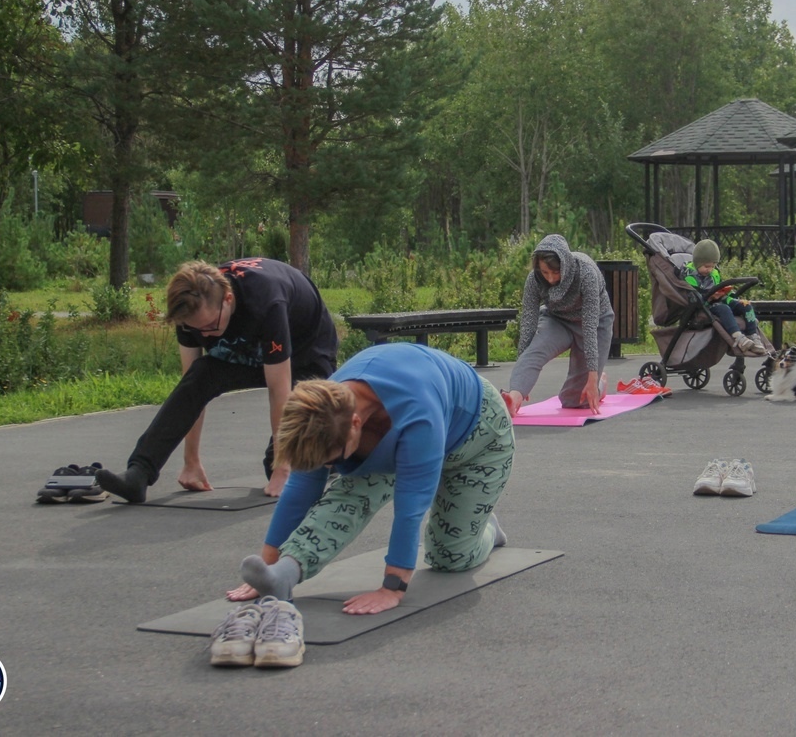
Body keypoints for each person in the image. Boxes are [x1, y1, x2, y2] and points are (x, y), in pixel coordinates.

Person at [230, 342, 513, 614]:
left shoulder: (416, 412)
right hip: (406, 433)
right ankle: (285, 574)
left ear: (355, 423)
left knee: (450, 558)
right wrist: (268, 568)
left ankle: (486, 529)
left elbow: (411, 506)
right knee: (350, 496)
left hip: (479, 439)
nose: (330, 468)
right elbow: (301, 489)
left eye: (333, 462)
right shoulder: (324, 410)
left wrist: (392, 588)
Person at [96, 258, 339, 503]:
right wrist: (191, 461)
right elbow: (191, 389)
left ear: (228, 300)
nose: (206, 335)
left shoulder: (266, 302)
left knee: (281, 466)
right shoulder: (189, 309)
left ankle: (338, 453)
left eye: (211, 326)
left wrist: (282, 466)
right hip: (249, 353)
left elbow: (279, 388)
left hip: (306, 357)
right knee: (201, 374)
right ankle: (139, 472)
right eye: (197, 330)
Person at [502, 234, 614, 415]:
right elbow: (528, 324)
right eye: (545, 272)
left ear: (566, 264)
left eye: (555, 272)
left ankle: (601, 382)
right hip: (558, 320)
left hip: (595, 322)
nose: (551, 279)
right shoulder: (534, 280)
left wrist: (592, 377)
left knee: (575, 401)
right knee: (535, 350)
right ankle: (513, 399)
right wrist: (522, 382)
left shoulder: (586, 273)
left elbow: (590, 326)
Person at [683, 239, 771, 356]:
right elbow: (694, 298)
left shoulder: (714, 273)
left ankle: (753, 335)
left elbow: (720, 289)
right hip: (706, 306)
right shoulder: (690, 277)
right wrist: (710, 297)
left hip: (719, 299)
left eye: (713, 266)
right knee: (724, 309)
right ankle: (738, 337)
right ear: (697, 263)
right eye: (706, 266)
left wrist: (727, 295)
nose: (710, 270)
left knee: (746, 305)